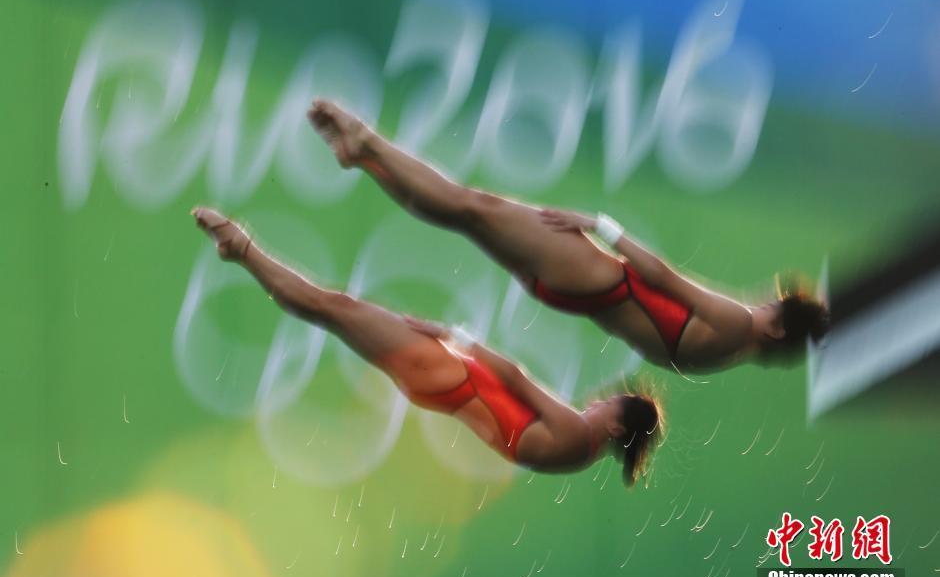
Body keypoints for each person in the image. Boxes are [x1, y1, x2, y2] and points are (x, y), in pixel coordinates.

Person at [307, 99, 829, 373]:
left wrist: (602, 226)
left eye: (772, 307)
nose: (761, 302)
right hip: (573, 292)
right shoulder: (723, 357)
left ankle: (367, 141)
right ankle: (365, 158)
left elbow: (664, 278)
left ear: (776, 330)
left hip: (594, 277)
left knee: (470, 205)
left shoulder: (736, 324)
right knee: (464, 215)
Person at [191, 208, 662, 484]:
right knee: (332, 310)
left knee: (331, 307)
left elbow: (516, 380)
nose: (595, 401)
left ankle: (240, 247)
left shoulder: (578, 433)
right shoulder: (578, 456)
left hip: (449, 373)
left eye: (607, 403)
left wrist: (454, 337)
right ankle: (241, 250)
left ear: (617, 425)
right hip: (444, 385)